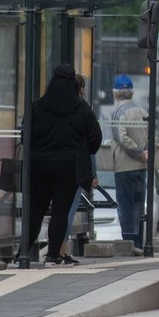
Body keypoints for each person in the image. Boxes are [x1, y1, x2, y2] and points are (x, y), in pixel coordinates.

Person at [26, 63, 102, 266]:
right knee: (61, 212)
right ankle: (53, 255)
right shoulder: (81, 108)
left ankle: (23, 252)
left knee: (36, 210)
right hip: (68, 167)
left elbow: (26, 137)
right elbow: (96, 137)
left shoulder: (37, 106)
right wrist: (84, 151)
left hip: (39, 166)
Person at [60, 74, 97, 263]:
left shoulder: (56, 107)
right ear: (79, 88)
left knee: (61, 210)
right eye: (82, 87)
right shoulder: (82, 109)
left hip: (57, 166)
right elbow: (92, 143)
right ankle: (61, 251)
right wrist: (92, 174)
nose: (83, 91)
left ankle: (57, 250)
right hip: (75, 169)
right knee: (69, 211)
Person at [110, 74, 148, 251]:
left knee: (125, 206)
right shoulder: (142, 112)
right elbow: (152, 135)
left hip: (124, 167)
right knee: (139, 205)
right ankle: (140, 241)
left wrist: (138, 153)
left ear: (115, 93)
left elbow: (122, 138)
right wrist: (145, 153)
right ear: (132, 92)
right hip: (142, 167)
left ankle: (130, 243)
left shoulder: (117, 112)